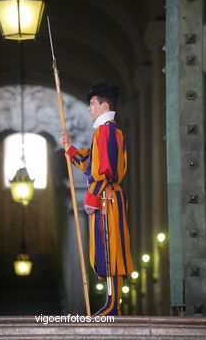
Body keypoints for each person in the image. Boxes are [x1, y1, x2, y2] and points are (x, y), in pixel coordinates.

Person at [60, 82, 134, 316]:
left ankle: (113, 305)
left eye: (92, 105)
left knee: (111, 250)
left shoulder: (109, 131)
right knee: (103, 250)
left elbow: (107, 169)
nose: (88, 109)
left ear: (104, 105)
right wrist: (70, 149)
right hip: (103, 197)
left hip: (107, 198)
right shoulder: (101, 132)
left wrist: (92, 196)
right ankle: (110, 304)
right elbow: (90, 165)